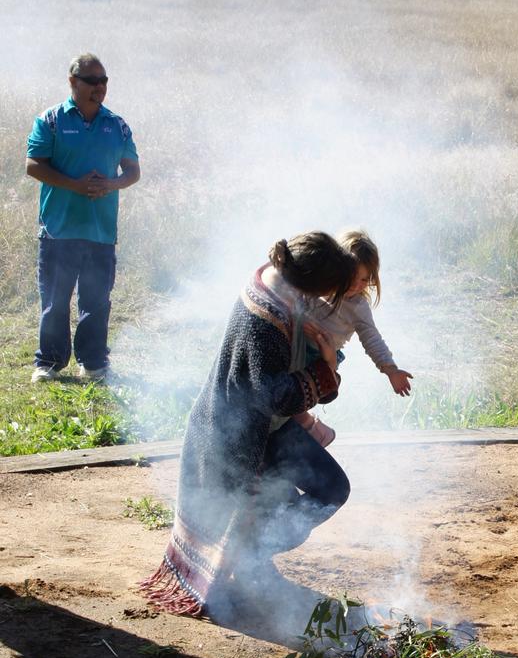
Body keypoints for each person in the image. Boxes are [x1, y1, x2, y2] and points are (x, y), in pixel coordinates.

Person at [140, 232, 356, 620]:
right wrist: (325, 368)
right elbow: (272, 395)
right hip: (235, 437)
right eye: (325, 291)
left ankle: (255, 554)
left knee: (331, 488)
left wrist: (326, 362)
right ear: (308, 283)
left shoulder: (285, 292)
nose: (325, 302)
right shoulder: (266, 318)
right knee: (273, 506)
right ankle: (248, 560)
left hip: (268, 428)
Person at [26, 53, 140, 383]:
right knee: (55, 301)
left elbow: (133, 171)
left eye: (104, 81)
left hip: (100, 230)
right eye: (92, 81)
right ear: (73, 81)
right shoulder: (50, 120)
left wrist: (111, 184)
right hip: (59, 228)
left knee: (96, 302)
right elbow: (33, 165)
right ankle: (48, 363)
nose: (100, 88)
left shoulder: (116, 125)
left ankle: (92, 364)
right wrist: (75, 185)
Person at [295, 229, 414, 447]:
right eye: (352, 277)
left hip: (322, 357)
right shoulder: (319, 287)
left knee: (298, 396)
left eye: (365, 280)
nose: (357, 285)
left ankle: (313, 430)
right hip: (297, 344)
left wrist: (390, 369)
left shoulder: (358, 306)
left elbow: (371, 337)